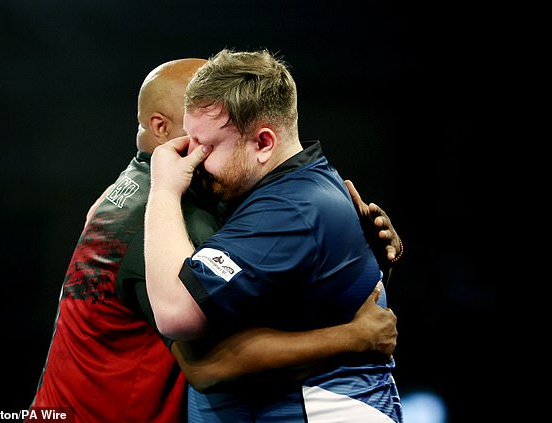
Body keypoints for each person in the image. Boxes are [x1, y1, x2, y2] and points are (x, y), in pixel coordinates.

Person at [29, 57, 402, 423]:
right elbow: (209, 365)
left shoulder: (126, 192)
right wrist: (355, 337)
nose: (203, 152)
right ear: (162, 127)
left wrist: (351, 253)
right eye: (198, 135)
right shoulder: (162, 213)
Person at [145, 49, 403, 422]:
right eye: (192, 140)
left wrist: (164, 189)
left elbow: (175, 315)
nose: (193, 158)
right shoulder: (291, 190)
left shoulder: (291, 209)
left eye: (209, 145)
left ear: (263, 143)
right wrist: (354, 336)